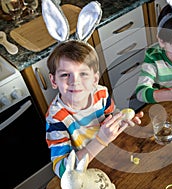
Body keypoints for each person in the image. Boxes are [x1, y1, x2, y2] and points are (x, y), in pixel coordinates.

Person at [45, 40, 143, 178]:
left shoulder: (101, 94)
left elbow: (111, 116)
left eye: (83, 74)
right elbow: (63, 171)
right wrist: (100, 140)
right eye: (65, 75)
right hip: (85, 172)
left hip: (110, 157)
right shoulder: (56, 118)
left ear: (95, 79)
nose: (75, 81)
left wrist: (122, 121)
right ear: (54, 81)